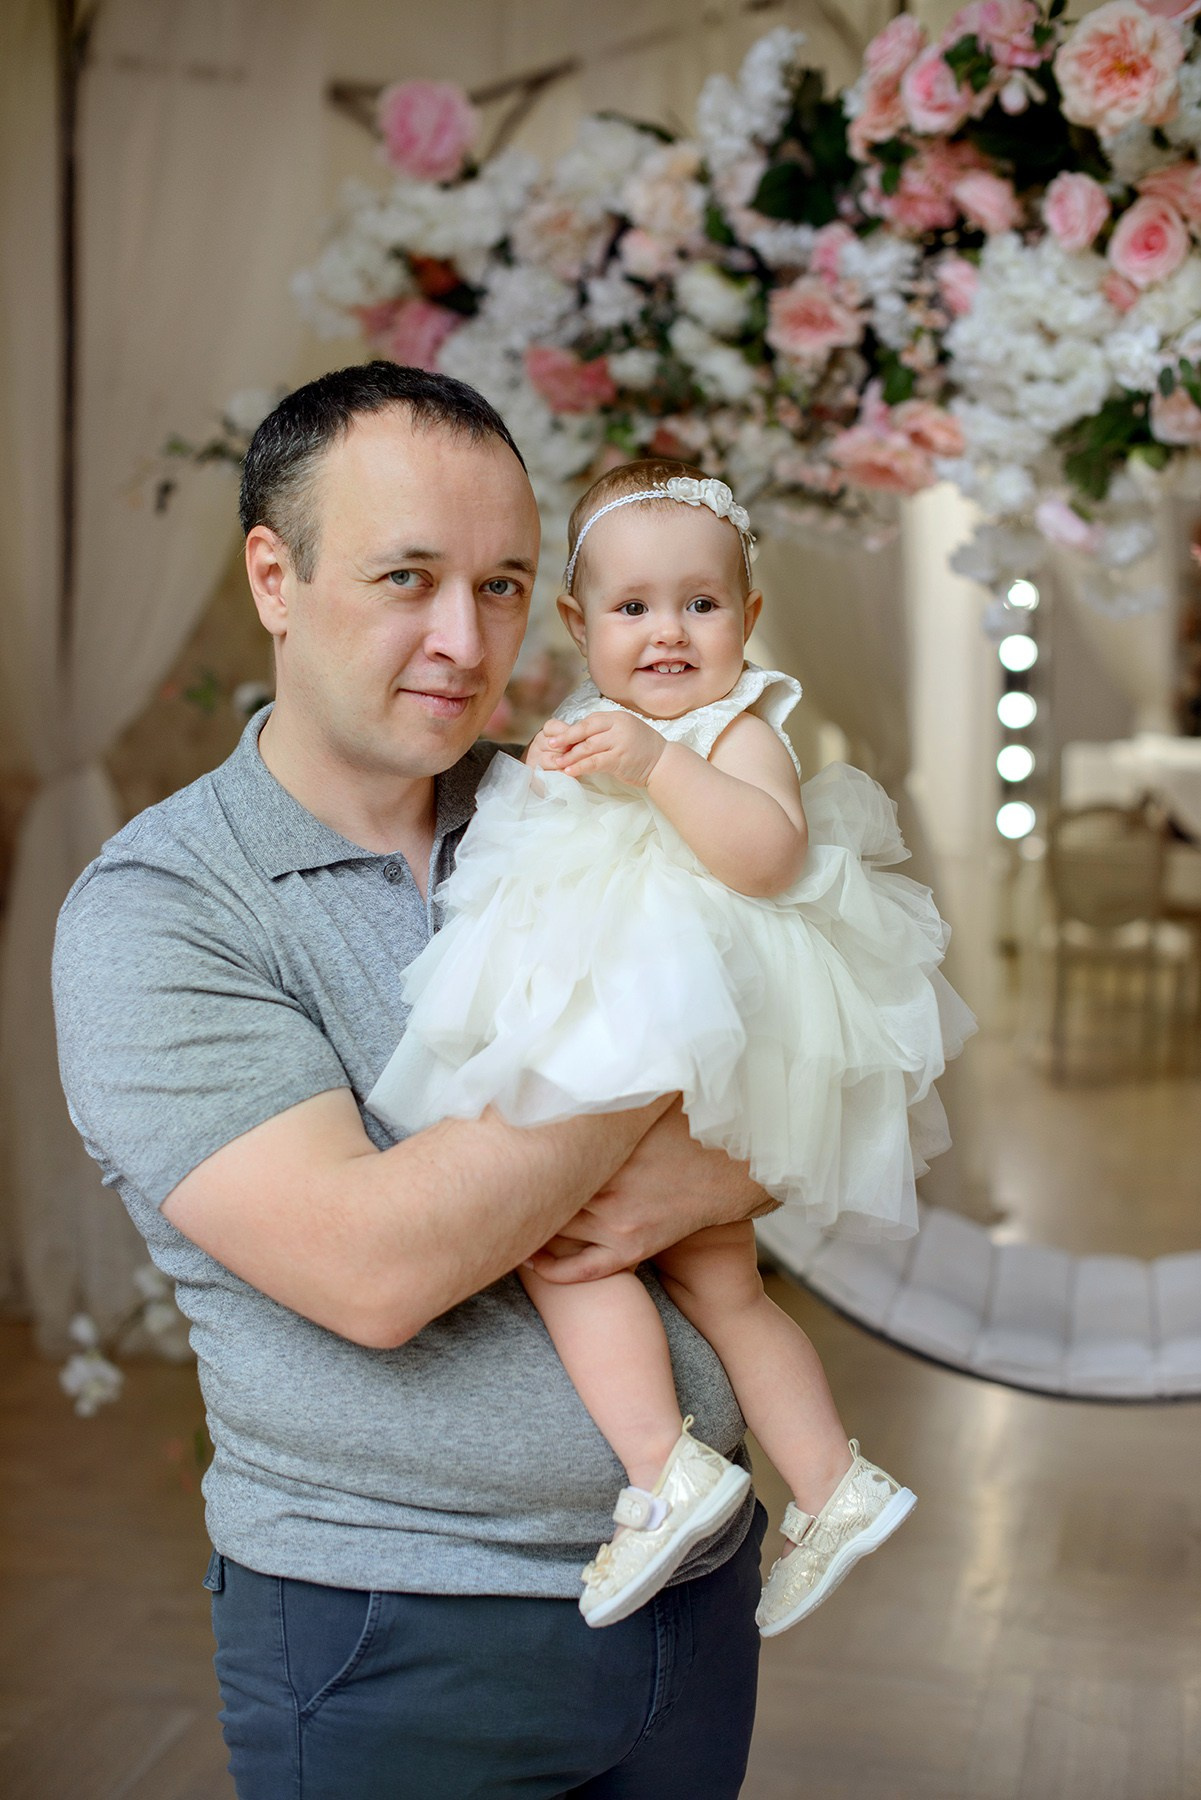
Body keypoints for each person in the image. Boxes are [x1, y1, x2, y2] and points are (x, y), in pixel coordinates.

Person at [52, 366, 778, 1800]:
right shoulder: (163, 911)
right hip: (397, 1627)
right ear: (275, 577)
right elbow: (378, 1267)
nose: (465, 641)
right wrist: (677, 1044)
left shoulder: (581, 803)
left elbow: (822, 1096)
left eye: (502, 587)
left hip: (693, 1596)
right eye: (407, 579)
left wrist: (719, 1146)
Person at [368, 459, 976, 1637]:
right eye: (633, 607)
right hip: (664, 1032)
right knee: (719, 1283)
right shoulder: (590, 728)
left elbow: (769, 857)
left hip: (681, 1026)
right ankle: (830, 1482)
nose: (667, 633)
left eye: (700, 604)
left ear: (748, 616)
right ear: (578, 623)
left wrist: (659, 765)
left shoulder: (734, 727)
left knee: (558, 1246)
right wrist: (567, 777)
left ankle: (661, 1472)